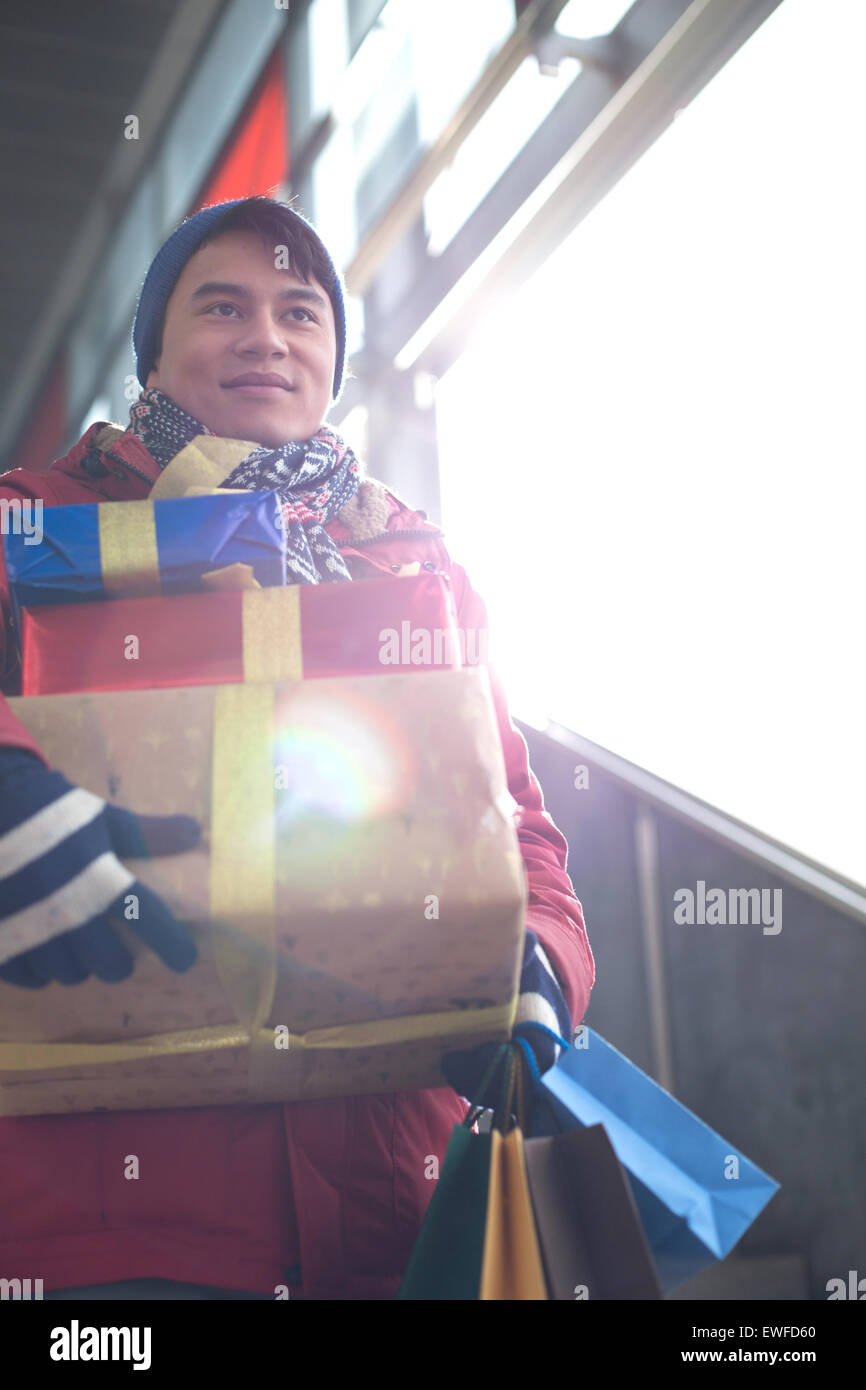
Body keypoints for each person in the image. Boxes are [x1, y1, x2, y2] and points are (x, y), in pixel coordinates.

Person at [0, 196, 595, 1300]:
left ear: (330, 360)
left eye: (298, 312)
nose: (265, 335)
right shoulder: (35, 519)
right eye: (222, 306)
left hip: (393, 1219)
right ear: (157, 354)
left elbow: (522, 825)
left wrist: (541, 967)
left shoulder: (416, 569)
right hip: (113, 1235)